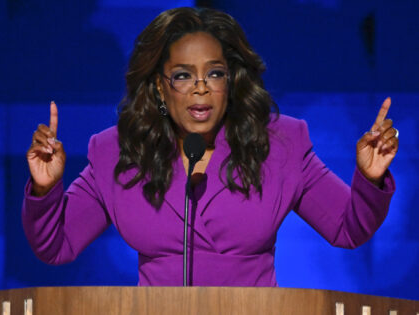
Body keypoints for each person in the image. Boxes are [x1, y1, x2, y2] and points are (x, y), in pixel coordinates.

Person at [23, 7, 398, 286]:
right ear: (158, 86)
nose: (200, 87)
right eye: (183, 75)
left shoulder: (280, 144)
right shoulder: (118, 152)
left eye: (214, 73)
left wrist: (370, 178)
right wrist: (44, 188)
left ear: (231, 80)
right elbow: (57, 244)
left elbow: (348, 228)